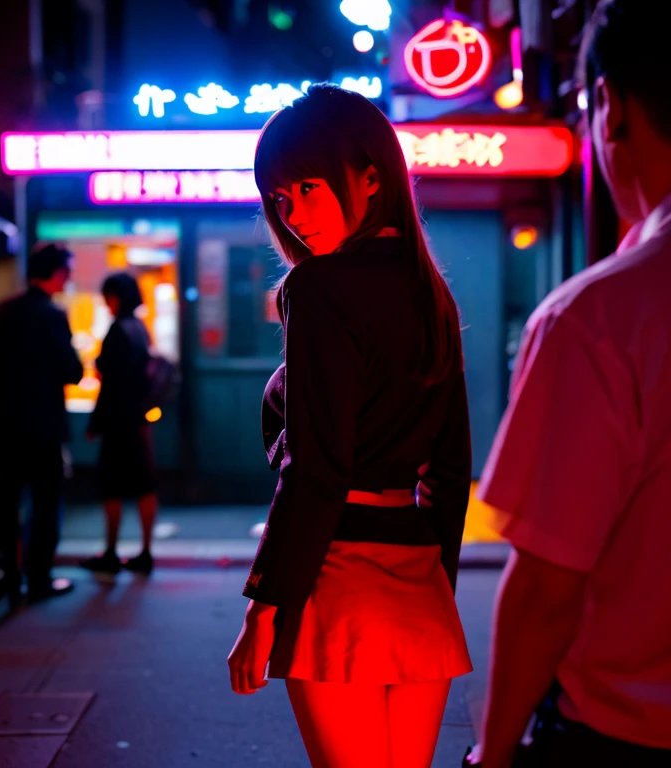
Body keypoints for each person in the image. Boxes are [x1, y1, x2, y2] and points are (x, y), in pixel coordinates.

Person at [227, 84, 473, 768]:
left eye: (305, 187)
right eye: (279, 198)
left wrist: (265, 603)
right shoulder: (432, 294)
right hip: (419, 584)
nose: (292, 213)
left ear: (370, 177)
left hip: (338, 578)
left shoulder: (317, 288)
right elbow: (450, 471)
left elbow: (315, 467)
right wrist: (437, 585)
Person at [465, 2, 671, 766]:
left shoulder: (599, 318)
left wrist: (493, 753)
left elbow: (546, 588)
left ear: (610, 106)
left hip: (624, 735)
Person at [0, 243, 83, 604]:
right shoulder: (52, 315)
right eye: (68, 271)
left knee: (7, 503)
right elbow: (71, 371)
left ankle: (9, 579)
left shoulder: (1, 311)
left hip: (7, 424)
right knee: (45, 505)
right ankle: (38, 579)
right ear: (58, 273)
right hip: (44, 426)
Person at [79, 272, 158, 576]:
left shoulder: (117, 331)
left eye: (107, 296)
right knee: (144, 485)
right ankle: (145, 551)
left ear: (116, 297)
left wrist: (95, 423)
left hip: (117, 421)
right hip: (138, 420)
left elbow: (109, 383)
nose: (106, 303)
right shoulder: (140, 329)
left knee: (111, 486)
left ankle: (111, 551)